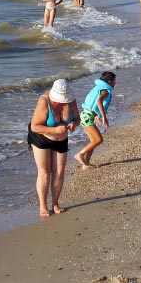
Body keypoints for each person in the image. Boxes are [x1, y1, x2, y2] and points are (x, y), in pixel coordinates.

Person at [29, 79, 78, 218]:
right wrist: (55, 130)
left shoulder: (71, 100)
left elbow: (77, 118)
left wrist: (74, 124)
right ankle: (43, 206)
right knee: (45, 172)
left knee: (60, 171)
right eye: (60, 99)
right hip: (41, 138)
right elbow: (34, 126)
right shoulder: (44, 101)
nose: (62, 102)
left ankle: (55, 203)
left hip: (61, 140)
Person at [75, 72, 116, 169]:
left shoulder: (99, 87)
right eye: (114, 81)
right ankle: (79, 155)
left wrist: (97, 115)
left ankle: (86, 164)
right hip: (87, 117)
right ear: (109, 81)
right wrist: (104, 117)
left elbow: (94, 104)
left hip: (86, 115)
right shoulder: (105, 90)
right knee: (98, 139)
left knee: (93, 141)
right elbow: (98, 101)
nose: (115, 83)